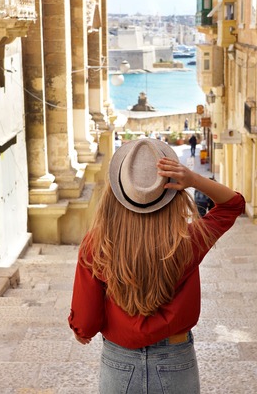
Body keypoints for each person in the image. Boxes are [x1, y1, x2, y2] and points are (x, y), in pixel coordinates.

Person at [68, 139, 244, 393]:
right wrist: (193, 179)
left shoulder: (97, 244)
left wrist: (80, 329)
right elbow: (233, 205)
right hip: (175, 357)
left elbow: (86, 321)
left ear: (117, 192)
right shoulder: (187, 242)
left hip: (120, 360)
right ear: (171, 192)